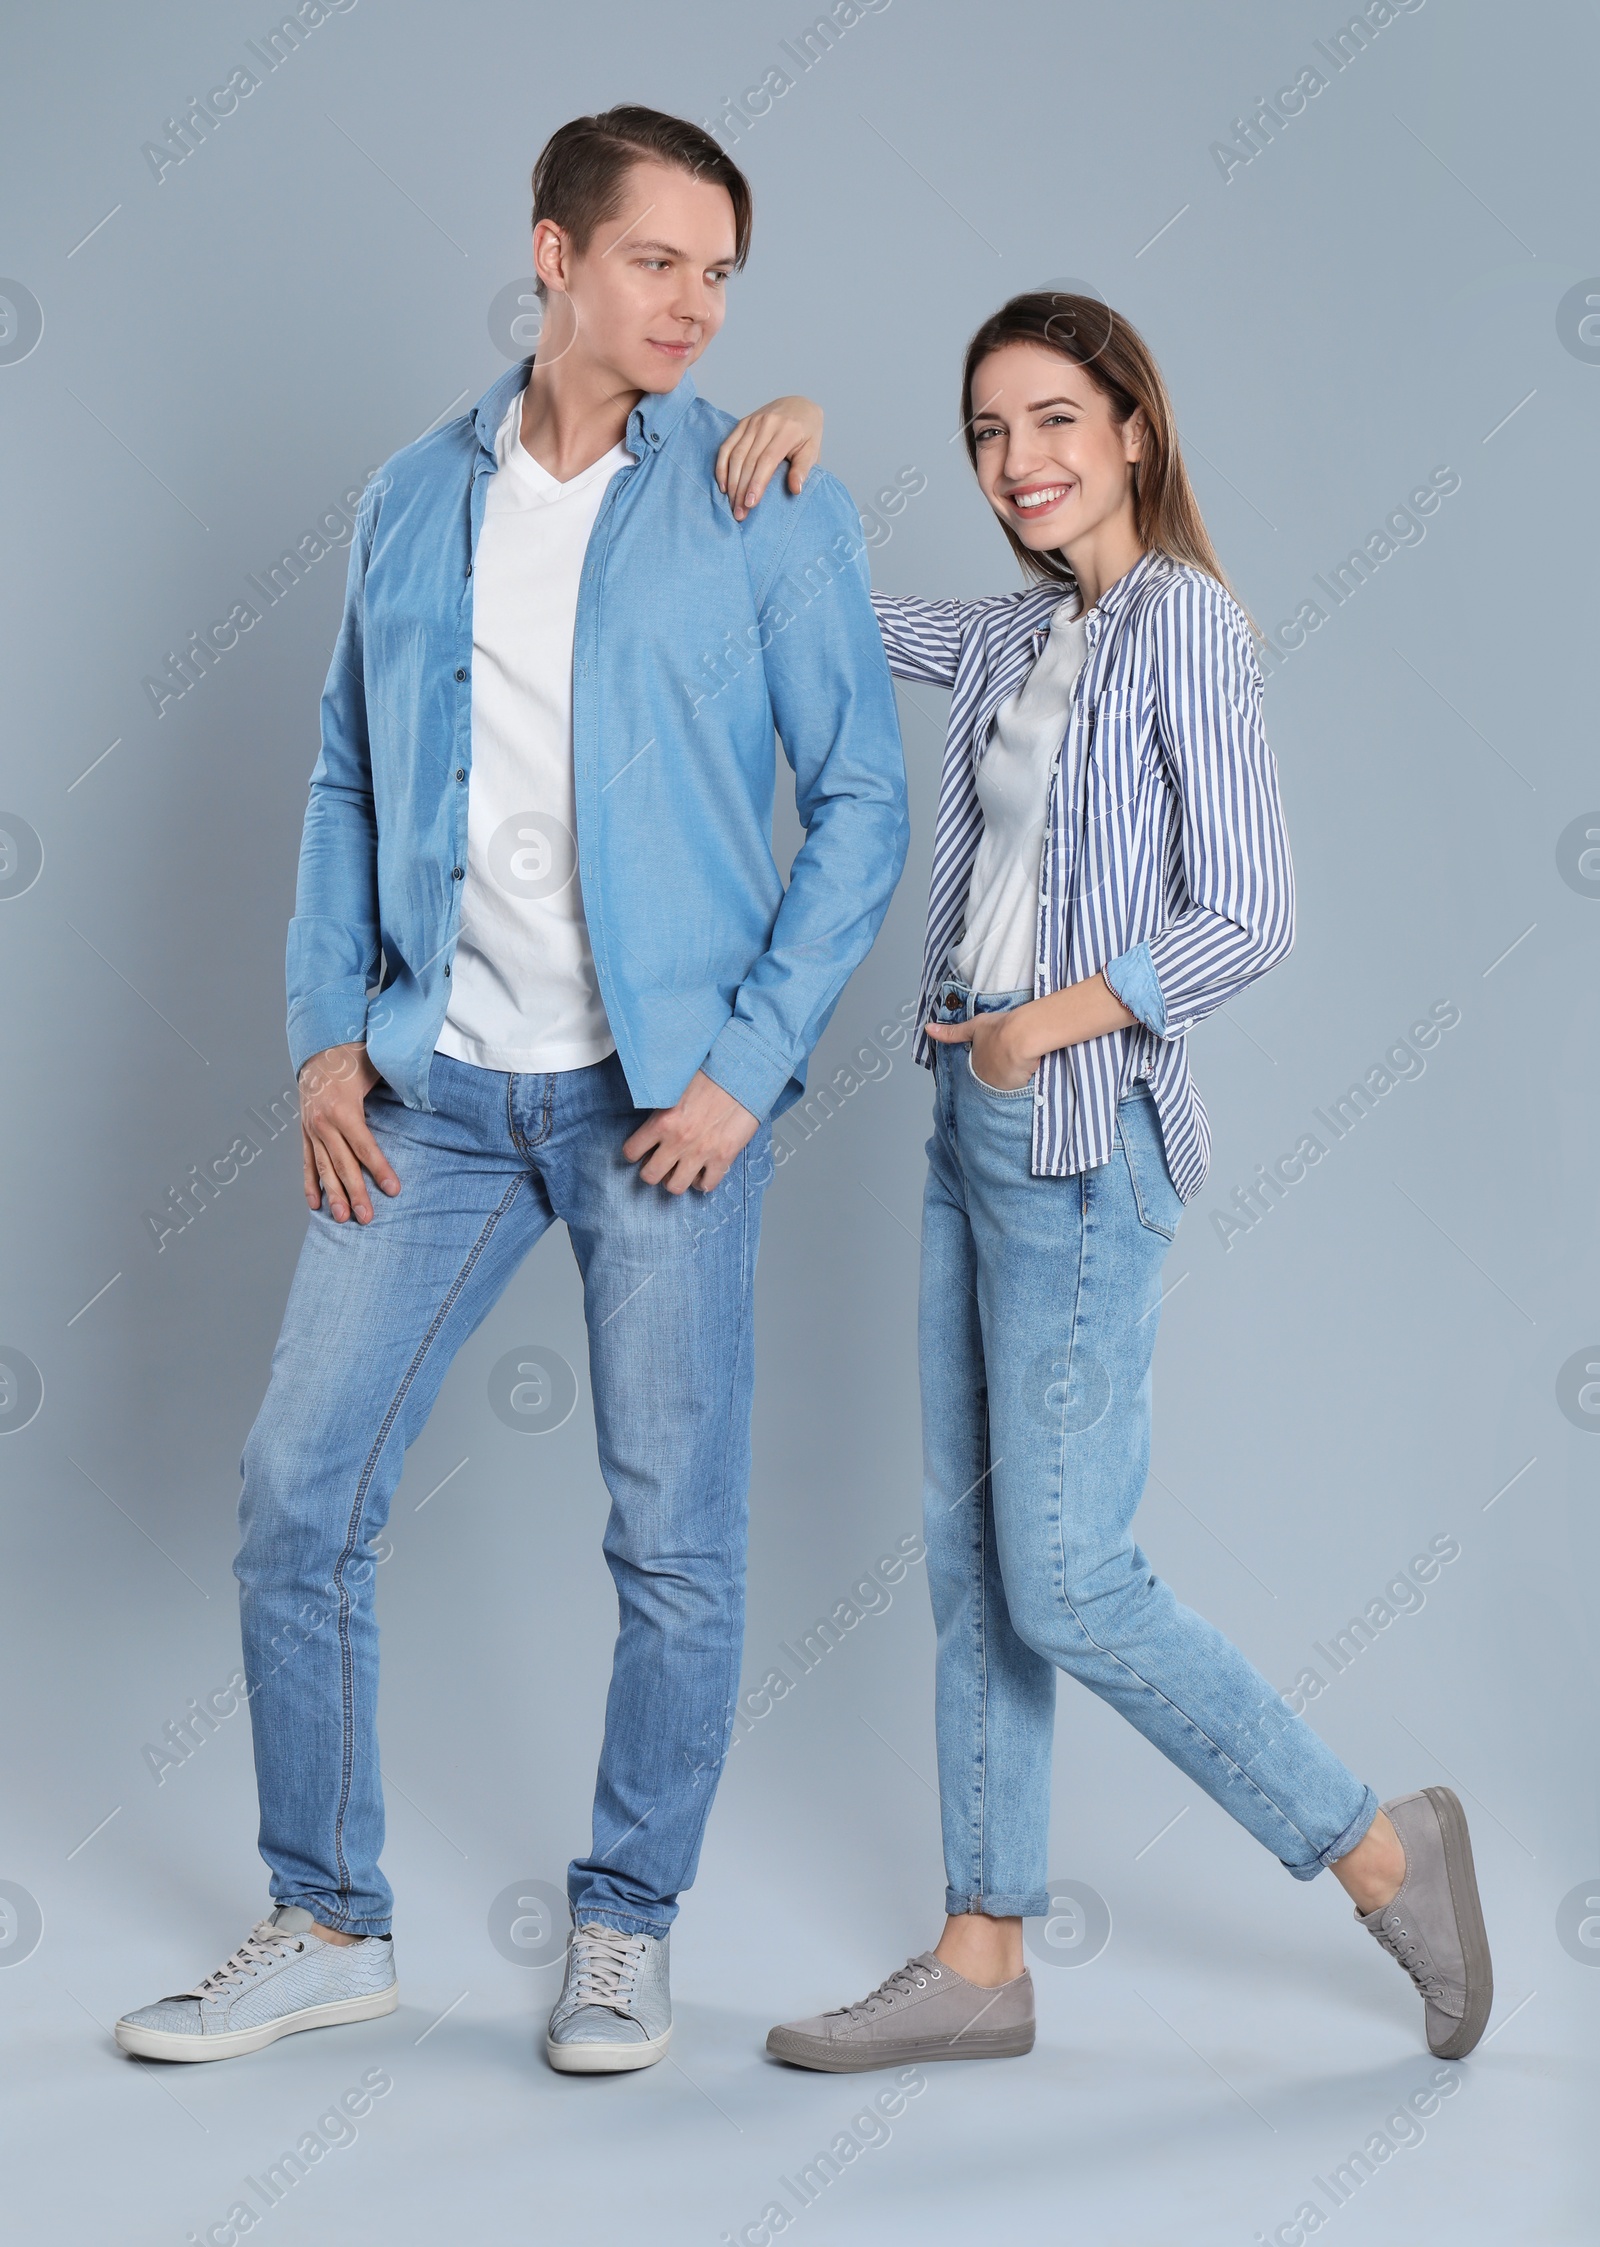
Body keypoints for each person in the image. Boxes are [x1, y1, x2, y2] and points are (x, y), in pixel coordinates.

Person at [114, 106, 908, 2076]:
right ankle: (325, 1917)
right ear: (550, 254)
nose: (694, 305)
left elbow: (866, 799)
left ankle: (625, 1929)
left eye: (720, 272)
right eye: (658, 259)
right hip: (439, 1092)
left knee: (672, 1534)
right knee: (299, 1493)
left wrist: (743, 1068)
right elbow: (344, 781)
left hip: (660, 1104)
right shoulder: (407, 498)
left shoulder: (758, 491)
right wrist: (322, 1034)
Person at [715, 293, 1492, 2072]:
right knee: (977, 1564)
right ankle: (980, 1959)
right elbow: (814, 609)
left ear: (1135, 429)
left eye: (1056, 421)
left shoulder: (1188, 632)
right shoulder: (1007, 633)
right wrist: (800, 442)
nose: (1020, 463)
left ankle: (1385, 1852)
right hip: (962, 1132)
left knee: (1070, 1577)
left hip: (1079, 1136)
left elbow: (1251, 915)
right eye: (990, 433)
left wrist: (1042, 1023)